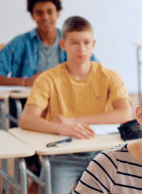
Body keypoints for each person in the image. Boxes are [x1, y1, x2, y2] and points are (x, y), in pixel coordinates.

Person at [19, 16, 131, 194]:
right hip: (63, 156)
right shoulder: (49, 78)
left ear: (94, 44)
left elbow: (125, 114)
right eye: (75, 43)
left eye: (87, 42)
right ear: (63, 44)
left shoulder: (109, 76)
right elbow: (27, 119)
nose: (82, 49)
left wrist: (74, 120)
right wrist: (61, 127)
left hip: (103, 154)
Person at [0, 0, 97, 171]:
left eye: (50, 11)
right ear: (32, 15)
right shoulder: (20, 43)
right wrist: (25, 82)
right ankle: (33, 162)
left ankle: (64, 160)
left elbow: (94, 68)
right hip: (30, 105)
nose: (45, 17)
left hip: (66, 104)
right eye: (39, 12)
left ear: (58, 13)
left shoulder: (71, 40)